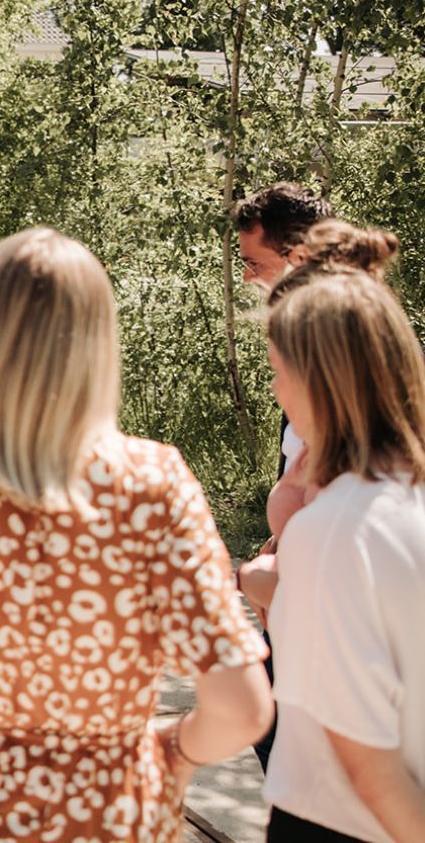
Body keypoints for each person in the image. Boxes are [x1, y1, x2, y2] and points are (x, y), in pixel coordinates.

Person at [0, 227, 273, 842]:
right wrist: (172, 754)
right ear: (97, 341)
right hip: (115, 814)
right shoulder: (155, 481)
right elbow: (244, 706)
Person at [261, 270, 425, 842]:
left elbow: (371, 772)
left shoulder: (332, 533)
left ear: (317, 384)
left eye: (279, 374)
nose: (277, 392)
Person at [238, 221, 400, 620]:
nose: (276, 389)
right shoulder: (327, 451)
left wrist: (258, 581)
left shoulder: (348, 513)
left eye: (280, 372)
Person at [232, 181, 332, 771]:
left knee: (281, 736)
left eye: (254, 262)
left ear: (296, 258)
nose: (247, 278)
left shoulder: (334, 355)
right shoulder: (303, 345)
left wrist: (273, 576)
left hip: (321, 601)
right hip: (294, 589)